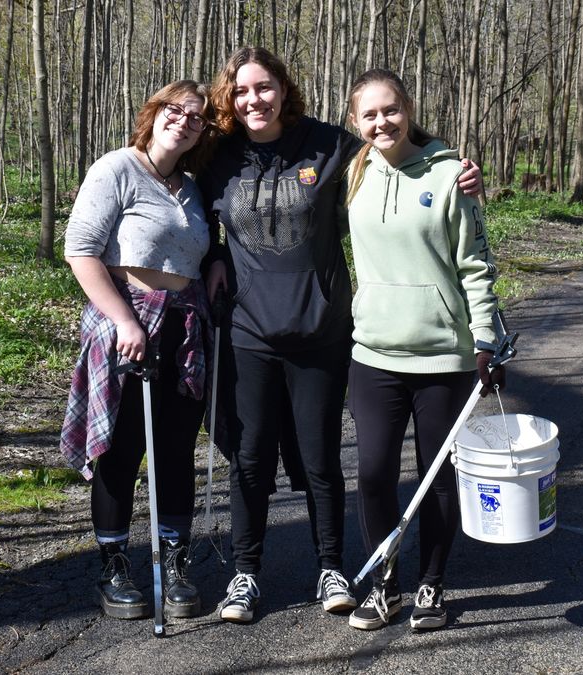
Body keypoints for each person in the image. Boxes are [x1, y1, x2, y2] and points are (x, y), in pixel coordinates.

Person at [197, 47, 483, 624]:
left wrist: (455, 163)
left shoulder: (332, 146)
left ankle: (331, 565)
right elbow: (186, 212)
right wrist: (212, 256)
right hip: (248, 331)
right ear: (231, 96)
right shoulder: (215, 158)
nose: (256, 99)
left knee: (321, 458)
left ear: (284, 89)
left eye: (266, 87)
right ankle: (245, 575)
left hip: (324, 330)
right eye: (244, 90)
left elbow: (395, 143)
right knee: (249, 459)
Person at [341, 69, 505, 631]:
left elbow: (476, 266)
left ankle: (431, 586)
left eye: (390, 110)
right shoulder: (353, 172)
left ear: (407, 109)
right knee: (373, 475)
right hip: (373, 354)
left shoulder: (451, 174)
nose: (381, 122)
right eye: (369, 114)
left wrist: (487, 340)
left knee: (436, 478)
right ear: (355, 121)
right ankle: (384, 585)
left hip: (444, 357)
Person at [59, 80, 216, 621]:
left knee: (175, 449)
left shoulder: (193, 189)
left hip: (184, 330)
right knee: (121, 450)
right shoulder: (116, 169)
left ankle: (174, 559)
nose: (184, 121)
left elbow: (202, 252)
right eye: (176, 110)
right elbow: (80, 251)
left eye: (196, 118)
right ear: (154, 113)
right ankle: (114, 564)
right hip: (123, 325)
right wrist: (125, 320)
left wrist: (213, 270)